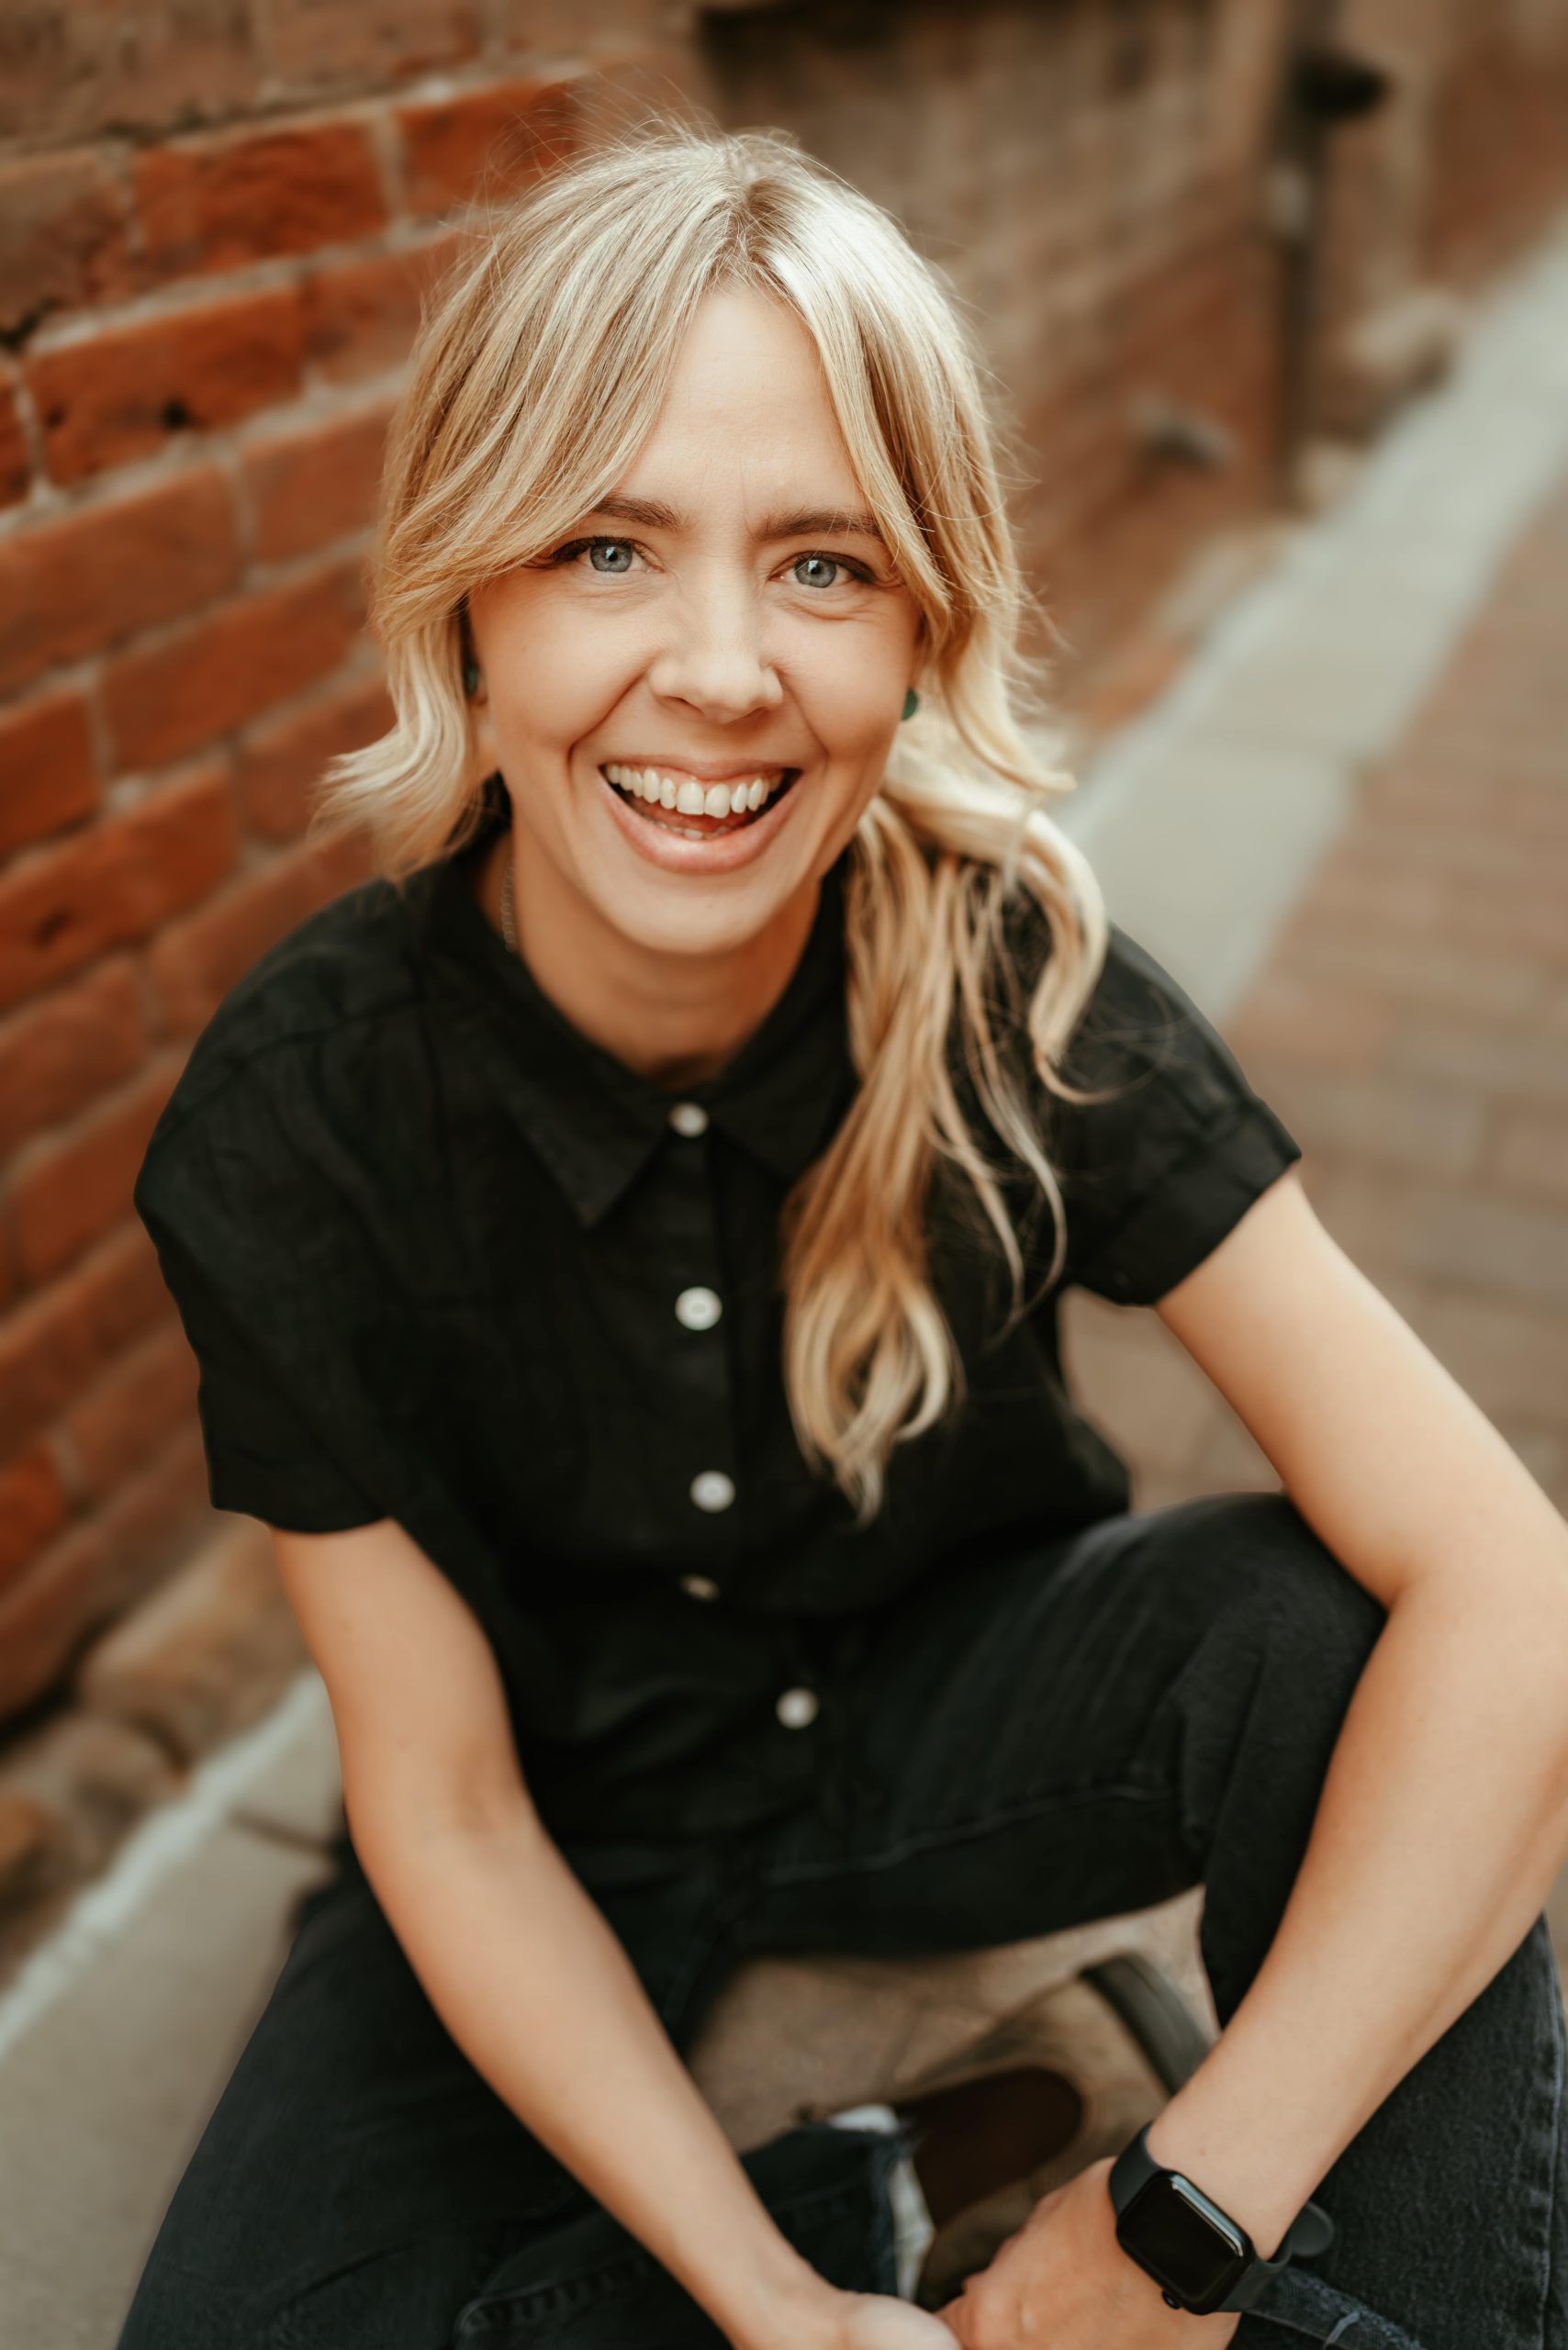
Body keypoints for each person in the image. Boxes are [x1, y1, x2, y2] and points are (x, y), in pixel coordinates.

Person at [116, 115, 1568, 2350]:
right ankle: (885, 2179)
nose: (717, 667)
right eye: (605, 546)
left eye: (819, 562)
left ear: (919, 631)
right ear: (465, 608)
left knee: (1328, 1623)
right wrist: (768, 2291)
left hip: (961, 1726)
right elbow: (449, 1802)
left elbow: (1511, 1591)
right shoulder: (300, 1115)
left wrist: (1182, 2212)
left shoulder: (1007, 983)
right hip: (554, 1812)